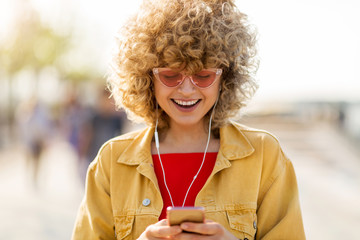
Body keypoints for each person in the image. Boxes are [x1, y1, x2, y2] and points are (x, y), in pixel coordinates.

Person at [72, 0, 306, 239]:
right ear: (146, 78)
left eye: (203, 76)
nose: (186, 90)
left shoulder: (264, 156)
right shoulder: (112, 162)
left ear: (225, 78)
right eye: (170, 75)